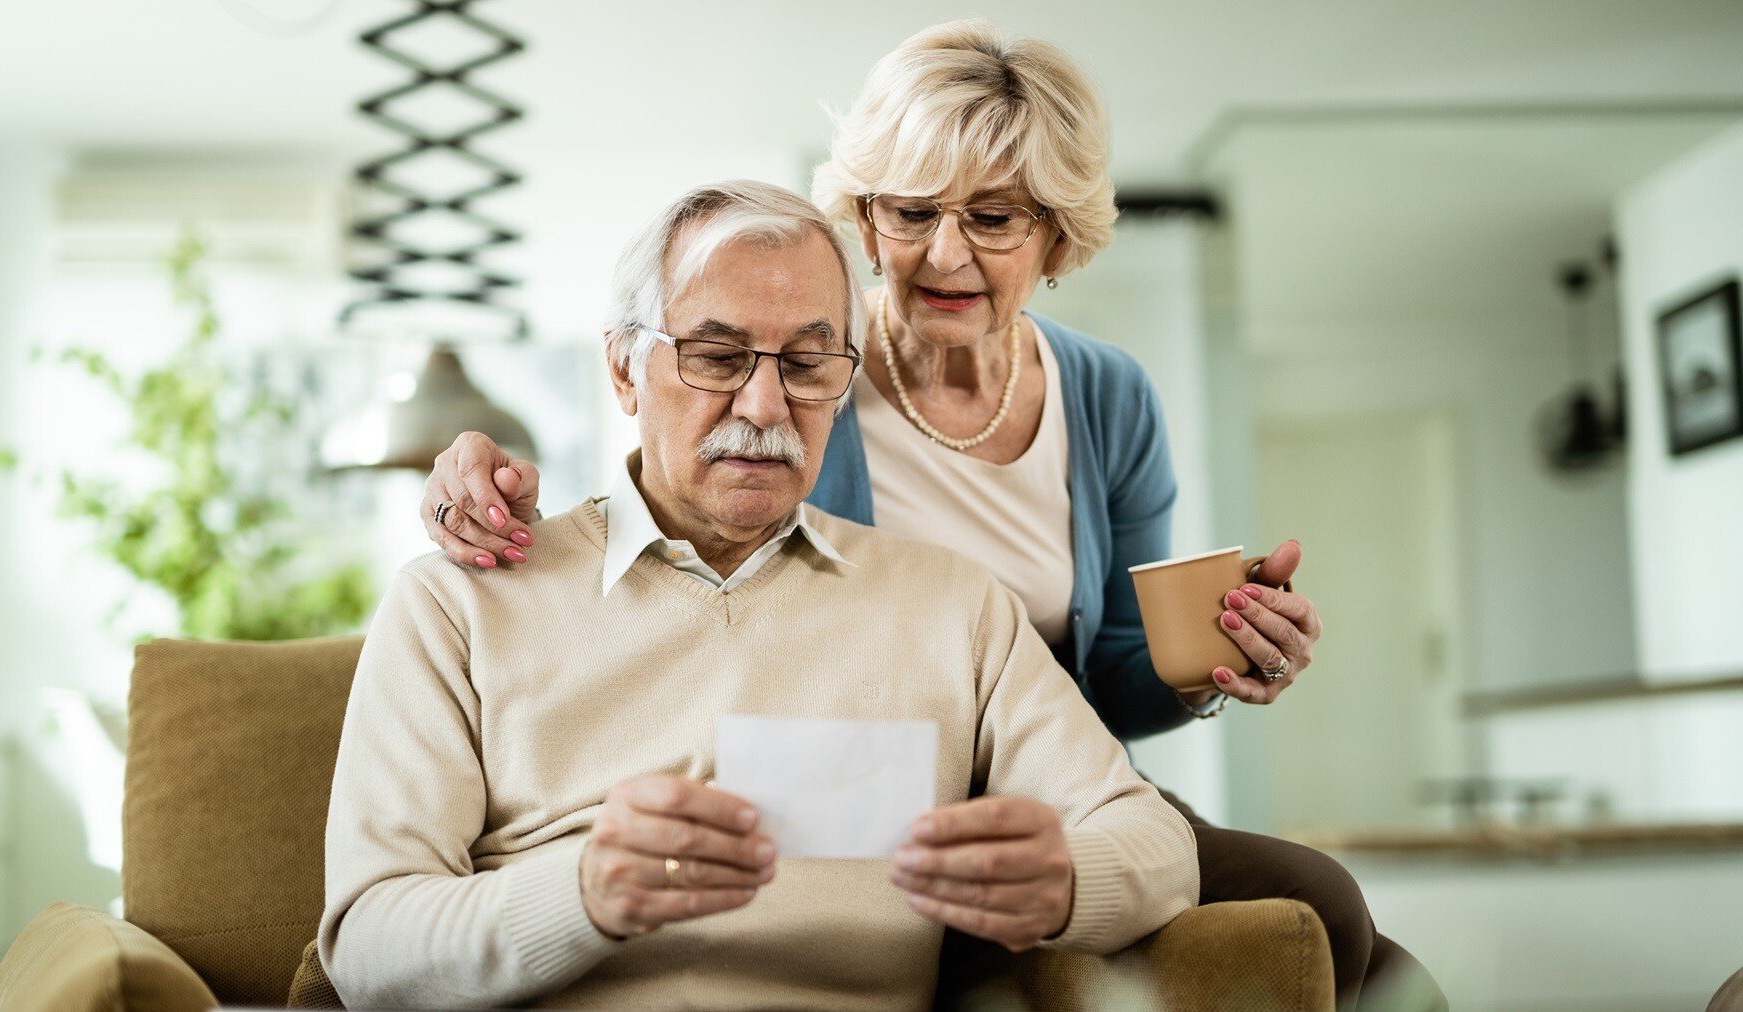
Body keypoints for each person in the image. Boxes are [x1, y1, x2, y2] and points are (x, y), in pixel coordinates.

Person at [410, 21, 1441, 1010]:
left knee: (1339, 919)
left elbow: (1115, 682)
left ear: (1055, 237)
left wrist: (1215, 657)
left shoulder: (1107, 396)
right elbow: (665, 501)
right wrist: (477, 476)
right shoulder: (803, 372)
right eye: (910, 213)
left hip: (1036, 781)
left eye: (992, 219)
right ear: (865, 221)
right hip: (857, 785)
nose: (945, 255)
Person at [319, 181, 1200, 1010]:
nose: (767, 404)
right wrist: (580, 894)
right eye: (716, 356)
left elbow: (1156, 846)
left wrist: (1070, 883)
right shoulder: (461, 603)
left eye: (810, 364)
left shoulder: (953, 606)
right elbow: (367, 946)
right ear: (624, 370)